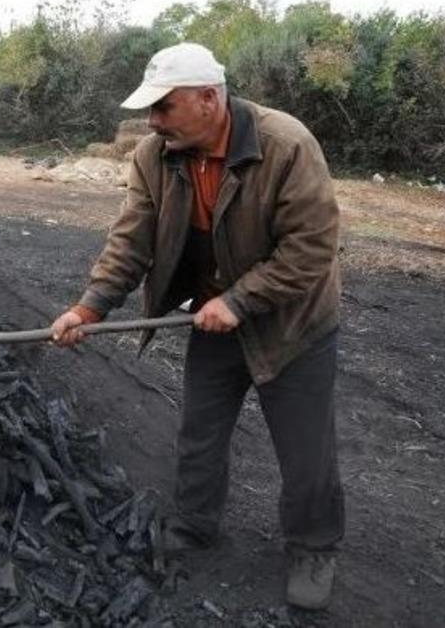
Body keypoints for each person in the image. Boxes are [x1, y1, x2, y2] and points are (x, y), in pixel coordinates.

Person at [51, 42, 344, 610]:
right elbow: (130, 240)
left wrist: (240, 298)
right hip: (215, 319)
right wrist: (89, 308)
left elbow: (313, 249)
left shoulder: (285, 145)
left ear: (210, 99)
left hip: (293, 321)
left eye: (164, 108)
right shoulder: (154, 156)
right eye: (150, 111)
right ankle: (194, 524)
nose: (153, 122)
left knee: (306, 448)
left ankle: (313, 547)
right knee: (200, 433)